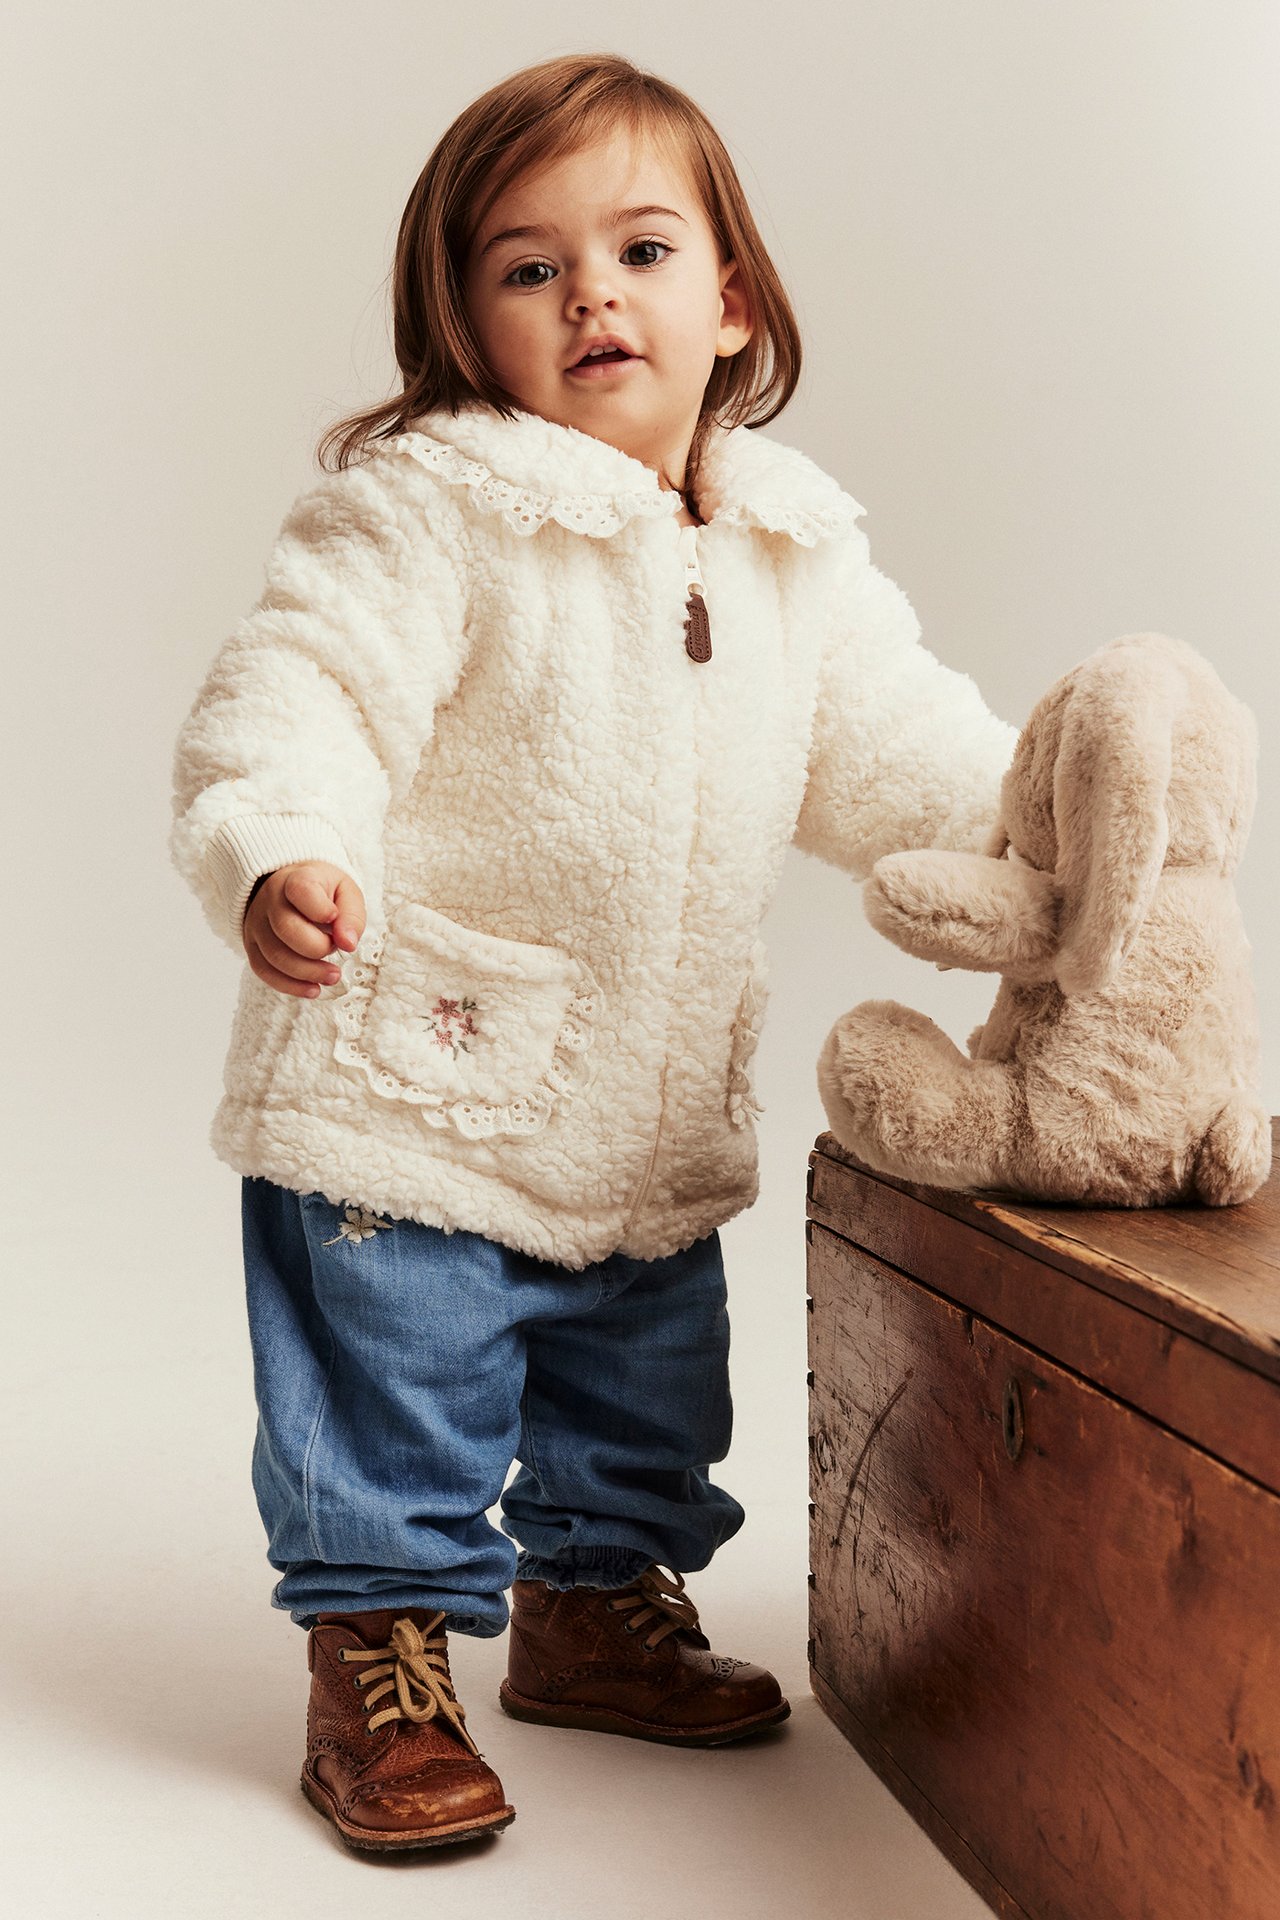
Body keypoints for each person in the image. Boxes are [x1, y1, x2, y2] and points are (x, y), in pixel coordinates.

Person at [170, 51, 1019, 1853]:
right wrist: (279, 844)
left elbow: (903, 756)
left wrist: (1054, 827)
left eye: (639, 249)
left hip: (642, 1100)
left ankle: (593, 1601)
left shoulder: (792, 544)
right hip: (418, 1078)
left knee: (643, 1384)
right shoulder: (427, 513)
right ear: (463, 324)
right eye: (526, 267)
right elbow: (297, 687)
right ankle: (381, 1651)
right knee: (398, 1390)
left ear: (734, 299)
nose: (591, 297)